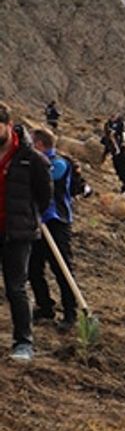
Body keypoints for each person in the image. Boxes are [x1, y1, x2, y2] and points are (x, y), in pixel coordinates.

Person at [1, 106, 52, 362]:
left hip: (17, 234)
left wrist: (25, 219)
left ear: (8, 125)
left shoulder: (31, 159)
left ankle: (23, 342)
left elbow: (44, 197)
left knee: (16, 287)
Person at [29, 129, 78, 333]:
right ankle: (45, 306)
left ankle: (70, 312)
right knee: (33, 267)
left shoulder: (59, 163)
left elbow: (43, 181)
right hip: (36, 220)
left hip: (56, 221)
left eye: (32, 143)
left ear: (40, 144)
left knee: (61, 268)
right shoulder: (35, 162)